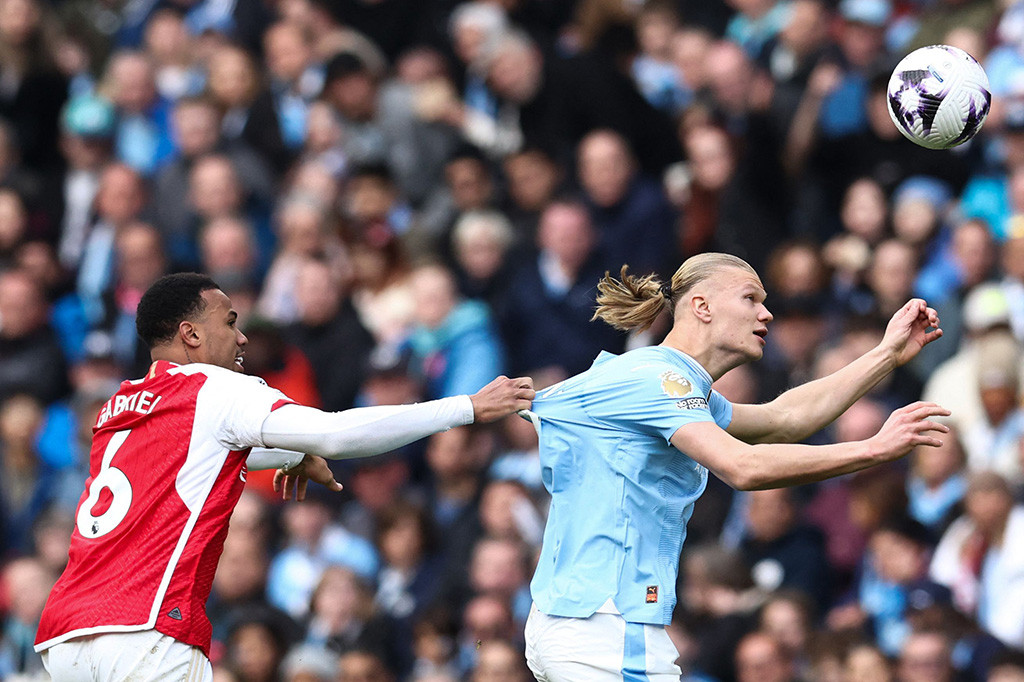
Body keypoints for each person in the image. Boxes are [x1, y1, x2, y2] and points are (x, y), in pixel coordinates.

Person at [33, 272, 534, 680]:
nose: (242, 337)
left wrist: (287, 455)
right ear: (191, 334)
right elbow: (334, 434)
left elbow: (191, 462)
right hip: (145, 629)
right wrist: (466, 407)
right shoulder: (215, 388)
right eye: (230, 322)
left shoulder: (120, 404)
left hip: (66, 633)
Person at [524, 252, 949, 681]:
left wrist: (886, 354)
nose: (766, 313)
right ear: (702, 306)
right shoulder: (657, 381)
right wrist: (872, 450)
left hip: (572, 619)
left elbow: (785, 419)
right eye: (750, 298)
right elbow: (743, 466)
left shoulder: (660, 381)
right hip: (607, 624)